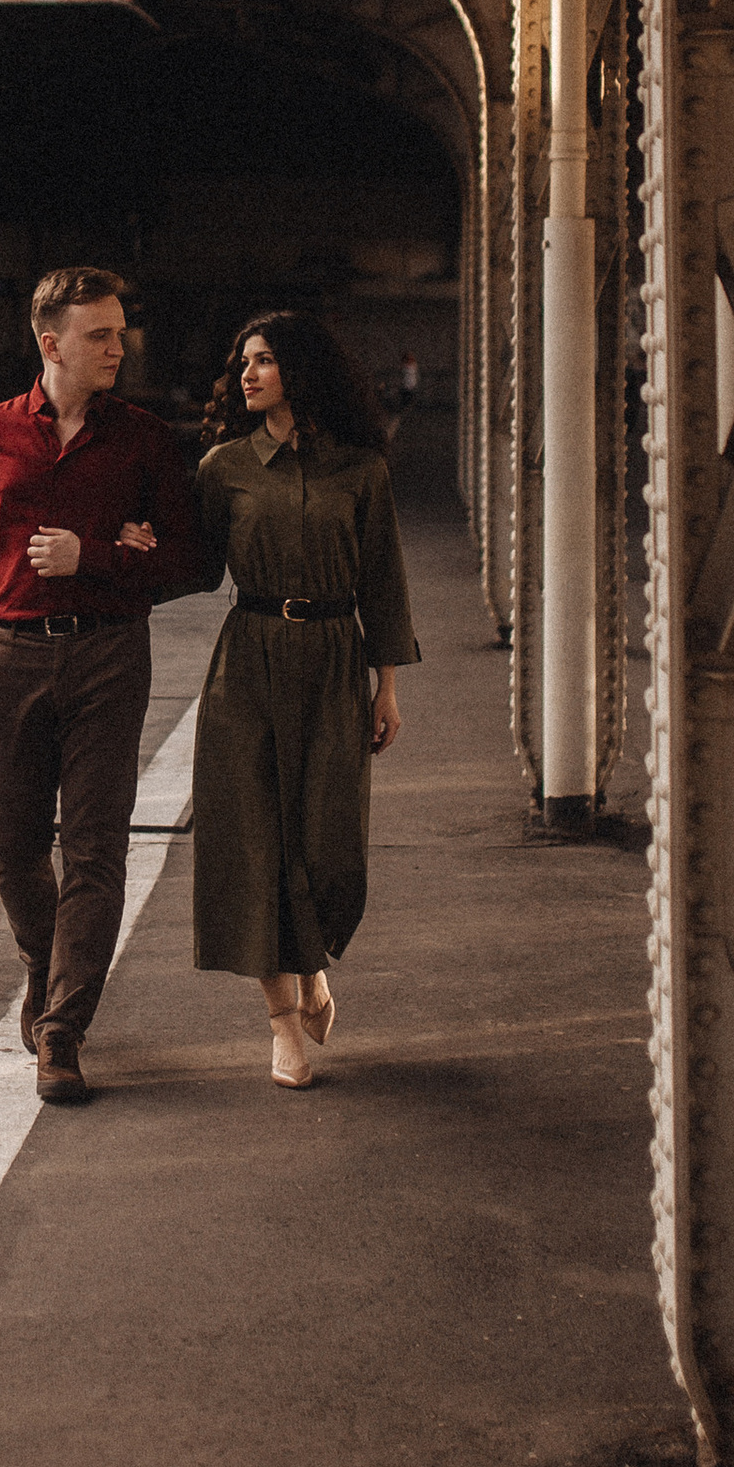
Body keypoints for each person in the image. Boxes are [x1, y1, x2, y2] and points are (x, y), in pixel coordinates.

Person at [0, 266, 201, 1105]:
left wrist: (104, 557)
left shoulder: (145, 439)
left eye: (120, 332)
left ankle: (61, 1031)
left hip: (110, 658)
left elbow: (194, 561)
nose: (118, 347)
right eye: (100, 335)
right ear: (51, 344)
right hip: (9, 660)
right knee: (12, 847)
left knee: (94, 849)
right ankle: (48, 976)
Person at [191, 310, 417, 1089]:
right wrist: (113, 547)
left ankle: (312, 963)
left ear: (303, 370)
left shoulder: (361, 470)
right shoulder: (224, 467)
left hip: (331, 661)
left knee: (327, 842)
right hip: (248, 662)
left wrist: (387, 688)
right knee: (252, 842)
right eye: (243, 361)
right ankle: (282, 1026)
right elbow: (191, 565)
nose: (247, 375)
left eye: (264, 362)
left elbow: (384, 582)